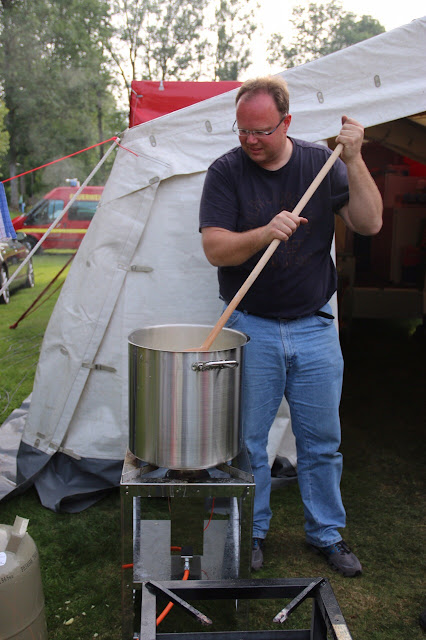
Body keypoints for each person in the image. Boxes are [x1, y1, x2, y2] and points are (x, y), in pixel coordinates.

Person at [199, 76, 382, 577]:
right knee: (249, 442)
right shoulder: (226, 172)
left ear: (286, 122)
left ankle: (325, 531)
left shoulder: (319, 165)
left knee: (322, 439)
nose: (250, 141)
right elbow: (215, 247)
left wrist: (355, 159)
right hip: (250, 326)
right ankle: (252, 532)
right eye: (242, 131)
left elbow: (370, 224)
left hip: (314, 327)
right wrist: (264, 232)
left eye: (260, 131)